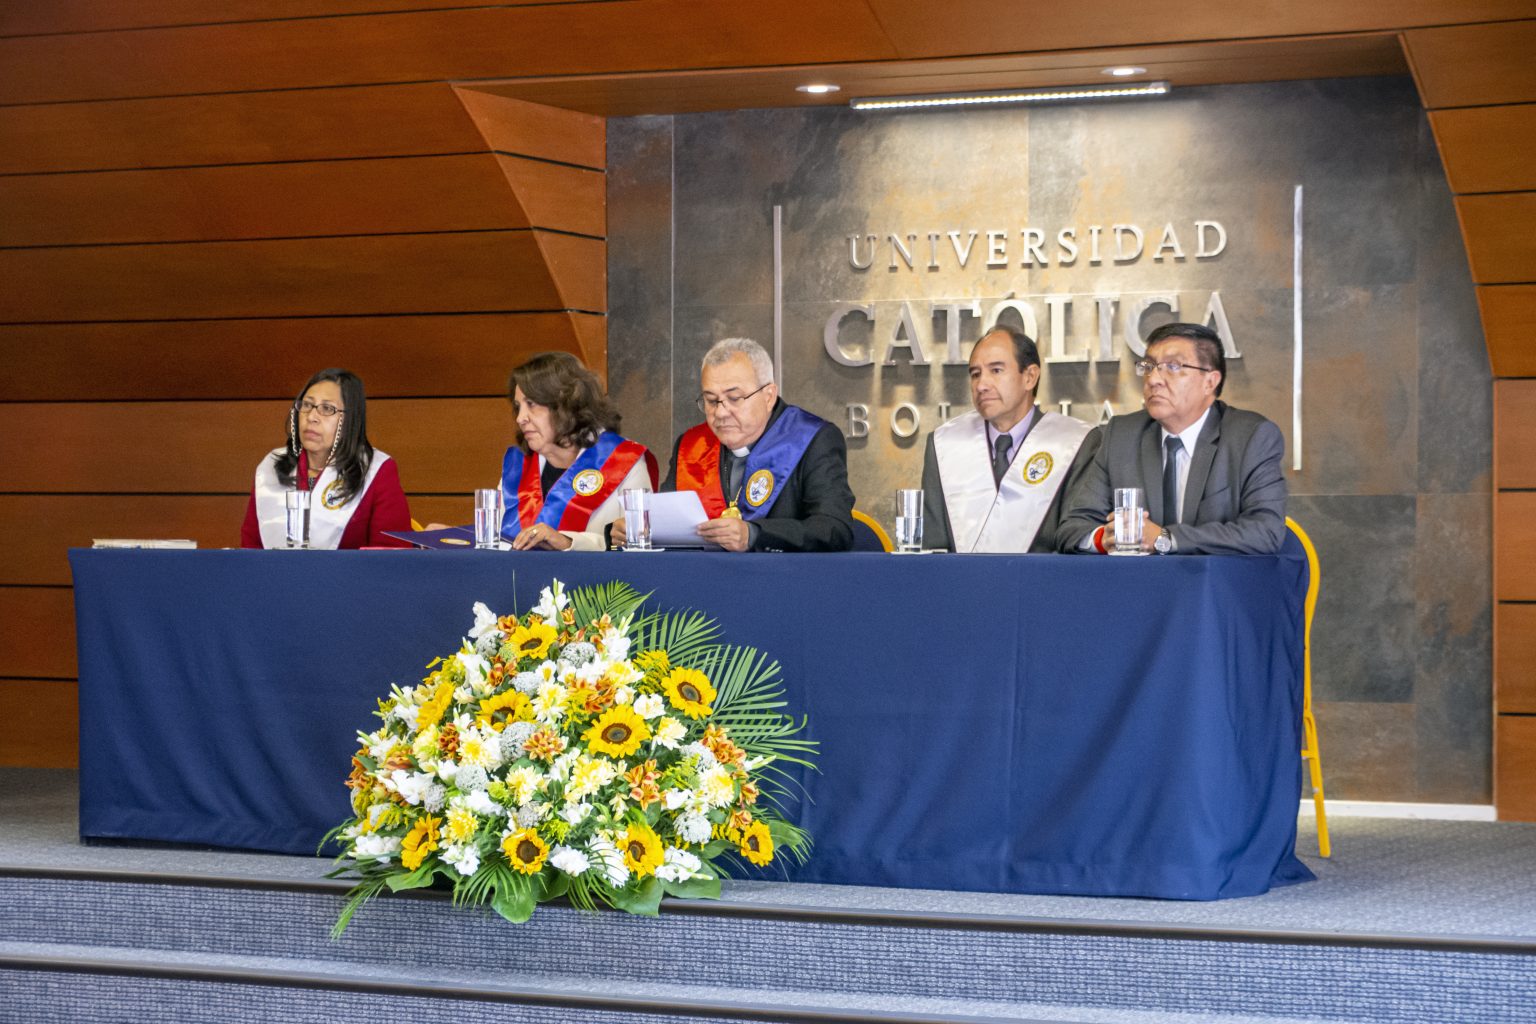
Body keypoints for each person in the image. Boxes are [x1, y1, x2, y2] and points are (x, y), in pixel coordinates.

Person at [1056, 322, 1287, 555]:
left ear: (1210, 382)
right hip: (1138, 579)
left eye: (1173, 366)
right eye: (1148, 366)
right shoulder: (1122, 436)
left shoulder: (1251, 437)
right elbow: (1072, 528)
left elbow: (1265, 531)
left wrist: (1164, 538)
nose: (1153, 379)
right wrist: (1104, 538)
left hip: (1214, 578)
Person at [653, 337, 855, 552]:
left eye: (734, 398)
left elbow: (834, 529)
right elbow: (666, 523)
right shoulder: (691, 445)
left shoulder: (813, 438)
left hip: (781, 572)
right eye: (711, 401)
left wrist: (756, 534)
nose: (720, 413)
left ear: (769, 397)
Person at [920, 325, 1098, 552]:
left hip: (1043, 575)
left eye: (996, 370)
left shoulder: (1075, 444)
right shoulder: (945, 444)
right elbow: (933, 547)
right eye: (975, 374)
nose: (981, 385)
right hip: (959, 576)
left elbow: (1075, 539)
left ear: (1030, 377)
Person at [498, 352, 658, 551]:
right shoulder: (518, 467)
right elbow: (498, 543)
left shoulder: (624, 460)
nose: (520, 418)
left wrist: (568, 542)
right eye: (518, 406)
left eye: (531, 404)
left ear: (566, 405)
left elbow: (639, 545)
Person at [241, 368, 411, 549]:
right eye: (307, 405)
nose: (311, 417)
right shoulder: (271, 467)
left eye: (327, 409)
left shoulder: (375, 470)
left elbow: (392, 554)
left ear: (350, 419)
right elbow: (249, 550)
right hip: (274, 569)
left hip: (349, 569)